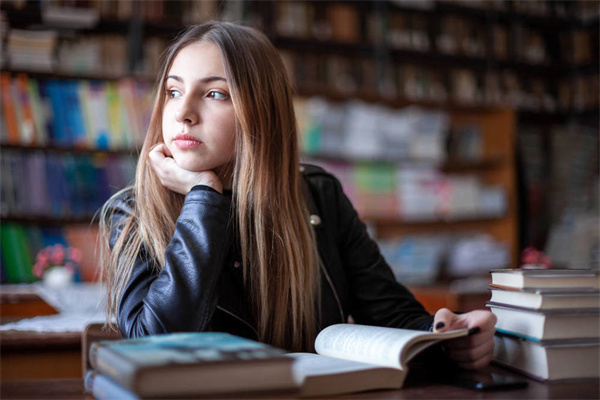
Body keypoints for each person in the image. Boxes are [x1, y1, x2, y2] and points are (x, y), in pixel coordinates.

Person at [99, 21, 496, 370]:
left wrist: (450, 337)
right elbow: (152, 343)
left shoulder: (319, 196)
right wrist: (203, 198)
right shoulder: (133, 212)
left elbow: (393, 315)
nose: (183, 112)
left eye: (215, 94)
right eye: (172, 91)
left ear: (261, 112)